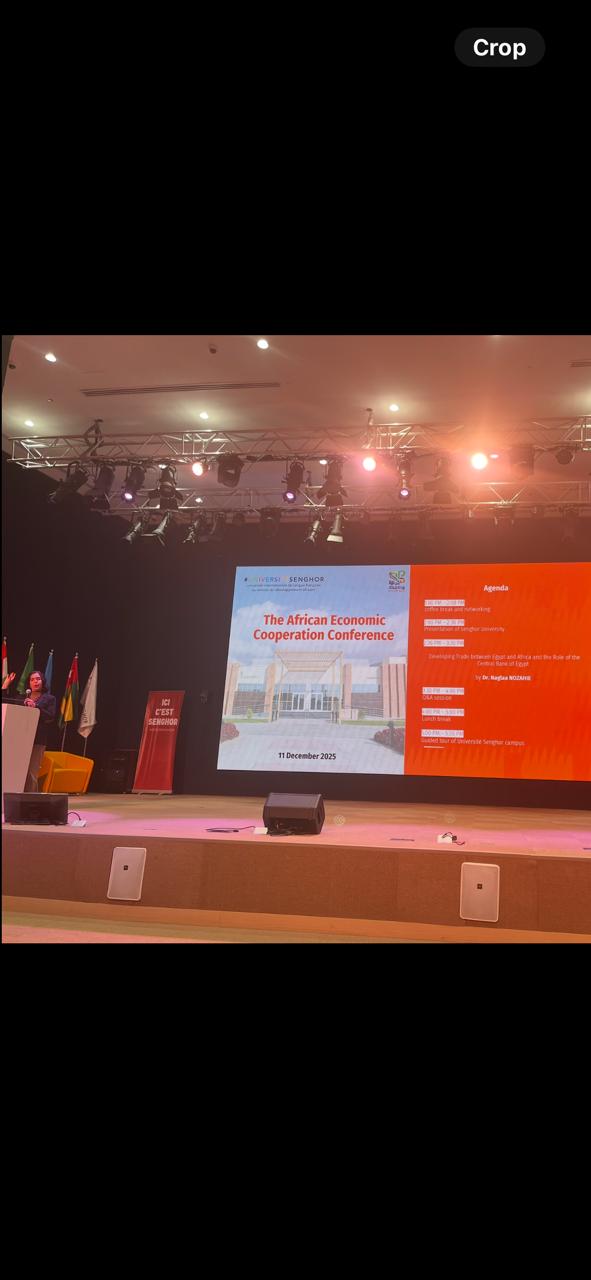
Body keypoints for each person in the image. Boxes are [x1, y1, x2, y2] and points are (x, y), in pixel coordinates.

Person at [22, 670, 56, 791]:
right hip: (21, 737)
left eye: (38, 679)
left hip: (38, 739)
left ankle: (30, 798)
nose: (35, 682)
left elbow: (50, 716)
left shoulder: (49, 698)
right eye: (32, 680)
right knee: (19, 769)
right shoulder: (23, 697)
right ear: (29, 683)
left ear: (43, 681)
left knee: (32, 771)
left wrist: (36, 707)